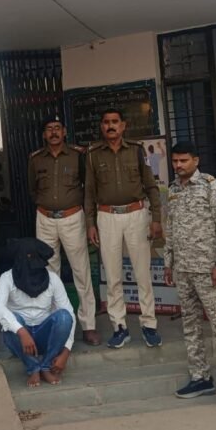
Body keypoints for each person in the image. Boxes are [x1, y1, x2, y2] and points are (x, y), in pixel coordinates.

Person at [163, 141, 216, 407]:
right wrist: (169, 262)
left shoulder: (210, 186)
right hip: (183, 269)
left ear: (195, 160)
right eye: (175, 161)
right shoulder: (173, 189)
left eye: (183, 160)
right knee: (191, 325)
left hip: (208, 269)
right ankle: (200, 377)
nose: (178, 165)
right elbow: (170, 227)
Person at [84, 109, 162, 349]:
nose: (111, 126)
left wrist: (156, 218)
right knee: (113, 276)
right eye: (106, 122)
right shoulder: (93, 154)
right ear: (101, 126)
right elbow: (89, 192)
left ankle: (149, 325)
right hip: (107, 217)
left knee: (142, 273)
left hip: (136, 214)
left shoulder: (137, 150)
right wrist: (90, 223)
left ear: (123, 125)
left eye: (115, 122)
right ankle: (119, 326)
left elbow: (151, 185)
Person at [28, 115, 100, 347]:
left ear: (65, 132)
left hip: (72, 218)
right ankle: (55, 323)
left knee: (81, 270)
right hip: (45, 218)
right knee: (49, 273)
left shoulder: (78, 155)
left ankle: (88, 325)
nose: (54, 132)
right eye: (49, 129)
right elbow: (32, 190)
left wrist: (89, 219)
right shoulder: (36, 159)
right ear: (44, 134)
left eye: (58, 128)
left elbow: (88, 189)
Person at [0, 238, 76, 388]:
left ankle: (45, 366)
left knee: (64, 316)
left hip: (45, 337)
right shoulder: (6, 278)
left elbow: (69, 312)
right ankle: (33, 368)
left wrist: (66, 352)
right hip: (20, 341)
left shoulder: (53, 279)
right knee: (10, 323)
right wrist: (22, 331)